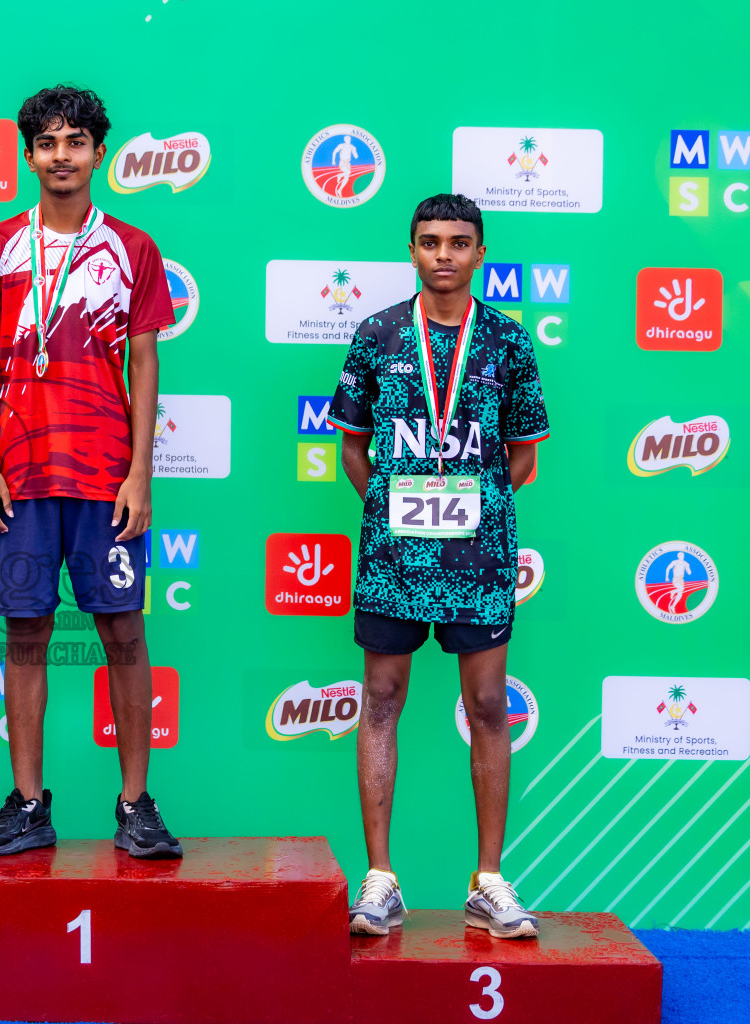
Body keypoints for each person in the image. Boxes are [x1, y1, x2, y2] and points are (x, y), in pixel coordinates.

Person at [0, 85, 181, 860]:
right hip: (18, 473)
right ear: (28, 155)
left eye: (75, 141)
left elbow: (144, 361)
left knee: (123, 631)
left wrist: (140, 471)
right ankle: (27, 803)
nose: (61, 155)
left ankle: (136, 803)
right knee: (25, 631)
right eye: (46, 142)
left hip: (103, 469)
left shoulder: (134, 249)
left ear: (98, 153)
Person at [327, 193, 550, 939]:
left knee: (488, 707)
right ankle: (381, 880)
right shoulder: (378, 335)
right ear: (412, 250)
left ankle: (488, 881)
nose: (444, 254)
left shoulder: (510, 344)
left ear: (481, 252)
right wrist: (396, 504)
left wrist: (466, 507)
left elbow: (523, 460)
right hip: (393, 553)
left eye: (459, 242)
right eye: (430, 241)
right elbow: (353, 448)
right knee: (382, 699)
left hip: (479, 553)